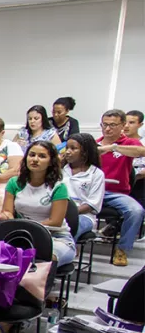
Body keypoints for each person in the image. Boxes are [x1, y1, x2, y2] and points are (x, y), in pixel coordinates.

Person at [0, 139, 75, 263]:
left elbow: (55, 222)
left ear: (51, 162)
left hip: (56, 238)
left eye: (42, 156)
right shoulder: (14, 183)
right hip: (22, 236)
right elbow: (8, 212)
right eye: (32, 155)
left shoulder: (59, 187)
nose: (35, 159)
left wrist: (26, 227)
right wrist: (2, 216)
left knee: (37, 260)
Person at [96, 109, 145, 266]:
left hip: (116, 193)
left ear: (122, 125)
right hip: (91, 191)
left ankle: (122, 249)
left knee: (136, 211)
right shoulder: (94, 143)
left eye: (112, 125)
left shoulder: (129, 143)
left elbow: (142, 152)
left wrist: (113, 147)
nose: (107, 129)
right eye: (104, 125)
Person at [62, 133, 104, 243]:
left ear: (85, 152)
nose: (67, 152)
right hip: (57, 212)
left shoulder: (96, 174)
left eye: (73, 148)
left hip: (83, 216)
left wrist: (68, 213)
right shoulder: (60, 170)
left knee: (70, 228)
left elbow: (91, 204)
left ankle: (67, 249)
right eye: (67, 148)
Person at [125, 110, 145, 180]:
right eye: (124, 122)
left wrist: (136, 177)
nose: (126, 126)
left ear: (140, 125)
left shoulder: (143, 142)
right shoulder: (116, 142)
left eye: (131, 123)